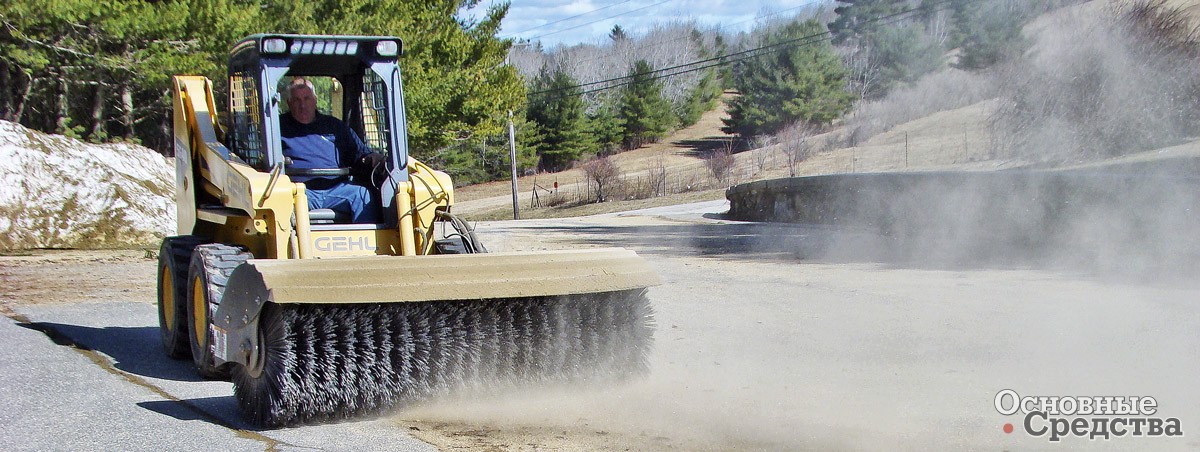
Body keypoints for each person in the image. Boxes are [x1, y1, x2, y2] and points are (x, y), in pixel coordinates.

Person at [280, 78, 380, 223]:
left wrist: (373, 159)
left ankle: (369, 244)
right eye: (296, 100)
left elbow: (359, 152)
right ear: (289, 103)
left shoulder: (334, 127)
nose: (303, 105)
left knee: (362, 194)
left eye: (307, 98)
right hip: (299, 191)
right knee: (280, 202)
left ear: (315, 100)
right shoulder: (278, 128)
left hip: (336, 189)